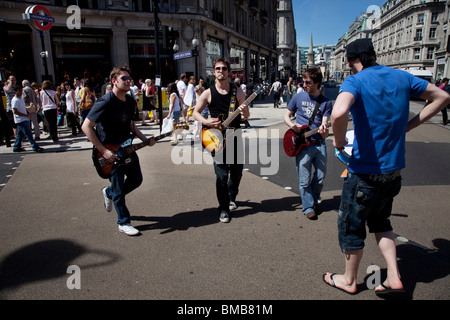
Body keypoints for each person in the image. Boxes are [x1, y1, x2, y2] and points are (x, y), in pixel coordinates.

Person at [325, 38, 450, 297]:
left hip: (363, 173)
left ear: (350, 62)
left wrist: (338, 141)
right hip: (393, 172)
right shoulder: (402, 77)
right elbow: (442, 96)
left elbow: (338, 114)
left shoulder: (355, 81)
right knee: (381, 221)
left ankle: (349, 279)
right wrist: (410, 125)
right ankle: (393, 276)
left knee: (351, 226)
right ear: (373, 54)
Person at [82, 66, 156, 236]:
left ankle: (109, 192)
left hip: (127, 147)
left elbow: (130, 124)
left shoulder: (130, 101)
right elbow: (86, 126)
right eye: (124, 78)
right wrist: (103, 150)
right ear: (114, 81)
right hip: (109, 152)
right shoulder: (105, 102)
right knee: (118, 186)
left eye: (130, 78)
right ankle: (123, 222)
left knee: (136, 179)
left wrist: (145, 140)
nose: (128, 81)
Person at [193, 57, 250, 223]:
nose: (221, 71)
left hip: (234, 136)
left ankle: (232, 196)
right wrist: (205, 121)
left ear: (228, 72)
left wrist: (244, 110)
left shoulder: (237, 91)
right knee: (221, 175)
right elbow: (195, 112)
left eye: (224, 68)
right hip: (215, 137)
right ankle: (223, 208)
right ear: (214, 71)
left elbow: (246, 116)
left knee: (237, 173)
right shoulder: (208, 92)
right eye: (218, 68)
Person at [284, 67, 333, 220]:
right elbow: (287, 115)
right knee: (304, 181)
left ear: (317, 83)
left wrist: (325, 131)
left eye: (307, 82)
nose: (303, 85)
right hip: (301, 145)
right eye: (302, 81)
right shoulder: (298, 98)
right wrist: (292, 126)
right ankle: (308, 207)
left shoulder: (326, 103)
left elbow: (325, 128)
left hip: (319, 143)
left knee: (320, 177)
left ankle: (313, 199)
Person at [11, 85, 43, 153]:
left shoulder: (21, 99)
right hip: (20, 119)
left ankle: (16, 146)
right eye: (18, 91)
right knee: (28, 133)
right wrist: (25, 115)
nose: (20, 92)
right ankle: (34, 146)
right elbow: (15, 111)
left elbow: (23, 108)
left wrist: (27, 113)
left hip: (24, 118)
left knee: (20, 134)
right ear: (15, 91)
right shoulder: (15, 100)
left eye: (21, 90)